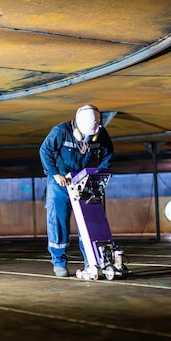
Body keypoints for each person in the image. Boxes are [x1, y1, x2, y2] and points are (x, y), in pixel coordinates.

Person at [39, 104, 114, 277]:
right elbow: (45, 151)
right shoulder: (61, 131)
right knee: (57, 221)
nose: (88, 136)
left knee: (91, 221)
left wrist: (100, 176)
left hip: (86, 180)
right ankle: (59, 262)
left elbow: (107, 154)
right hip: (60, 182)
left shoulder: (100, 134)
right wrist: (55, 174)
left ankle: (92, 260)